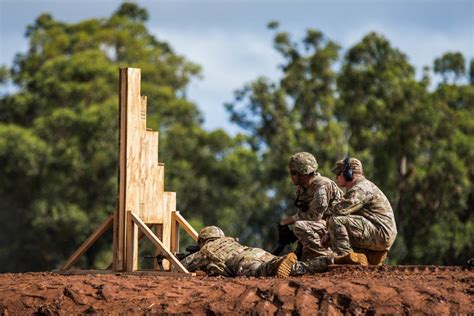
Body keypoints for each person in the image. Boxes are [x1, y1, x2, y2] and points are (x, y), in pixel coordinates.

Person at [326, 158, 398, 265]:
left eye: (338, 173)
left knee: (335, 221)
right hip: (379, 231)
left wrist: (324, 221)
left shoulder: (361, 188)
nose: (336, 177)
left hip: (380, 233)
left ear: (348, 173)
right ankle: (371, 256)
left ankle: (344, 258)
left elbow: (340, 210)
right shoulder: (361, 187)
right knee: (337, 229)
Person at [279, 152, 343, 261]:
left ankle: (326, 257)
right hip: (325, 228)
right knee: (299, 230)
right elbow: (306, 218)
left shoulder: (322, 185)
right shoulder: (302, 189)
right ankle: (311, 256)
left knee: (299, 226)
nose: (291, 176)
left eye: (293, 172)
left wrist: (289, 221)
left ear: (303, 173)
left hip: (337, 227)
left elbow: (314, 216)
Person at [181, 226, 298, 277]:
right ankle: (312, 265)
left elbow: (182, 267)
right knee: (296, 268)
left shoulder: (206, 249)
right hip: (254, 251)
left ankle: (276, 264)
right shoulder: (228, 241)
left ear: (202, 240)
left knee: (261, 270)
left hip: (242, 261)